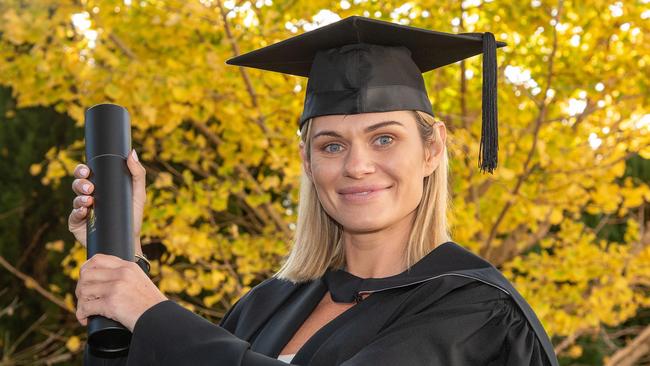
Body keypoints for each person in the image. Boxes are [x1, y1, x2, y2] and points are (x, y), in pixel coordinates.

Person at [69, 16, 559, 365]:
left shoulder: (477, 309)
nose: (358, 165)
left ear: (432, 151)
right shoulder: (267, 304)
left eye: (384, 138)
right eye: (331, 145)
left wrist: (154, 314)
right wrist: (121, 261)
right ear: (307, 160)